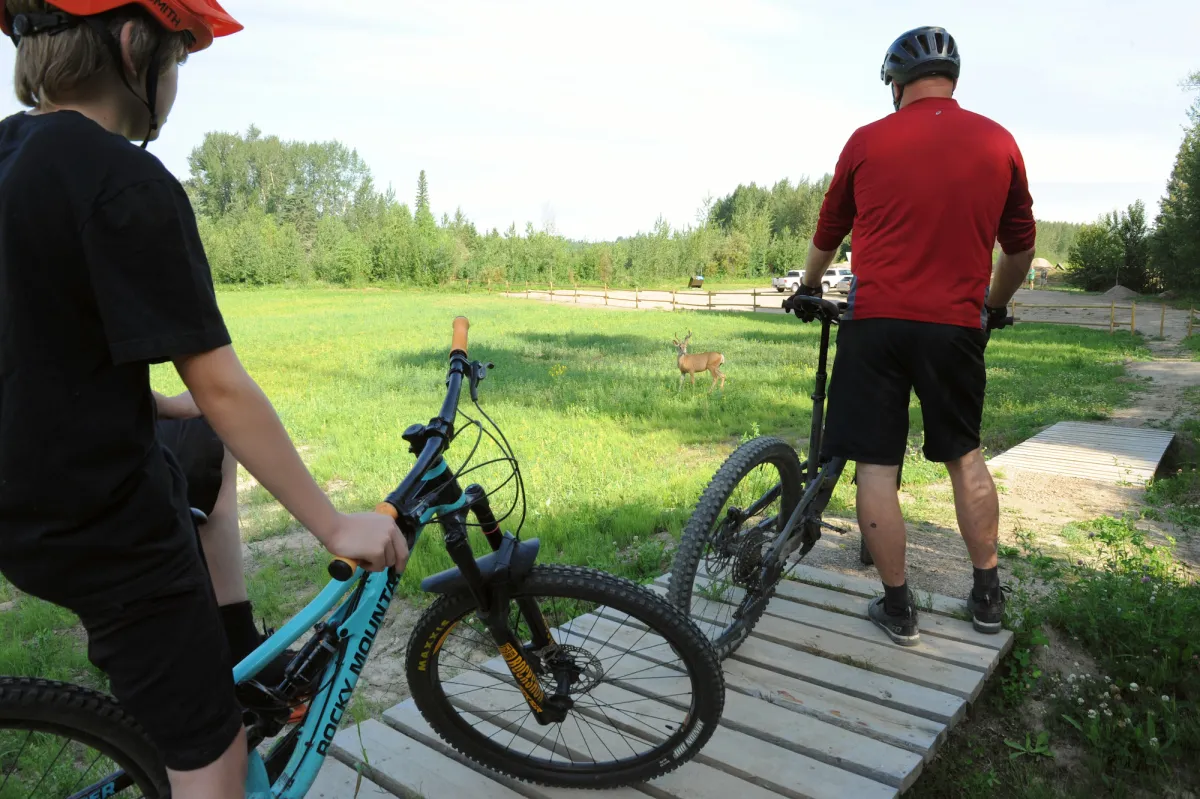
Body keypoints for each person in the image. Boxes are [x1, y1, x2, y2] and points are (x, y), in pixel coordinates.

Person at [0, 2, 409, 796]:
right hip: (98, 525)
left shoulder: (11, 157)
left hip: (22, 496)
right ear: (133, 44)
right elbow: (220, 381)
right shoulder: (123, 178)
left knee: (204, 450)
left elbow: (39, 342)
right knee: (211, 763)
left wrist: (154, 406)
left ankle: (226, 652)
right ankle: (210, 722)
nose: (178, 77)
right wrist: (333, 523)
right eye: (180, 57)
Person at [783, 26, 1036, 646]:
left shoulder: (868, 140)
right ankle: (986, 595)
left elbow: (829, 227)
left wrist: (808, 286)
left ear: (896, 84)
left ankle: (898, 609)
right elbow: (1021, 248)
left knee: (875, 465)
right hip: (953, 326)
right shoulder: (999, 141)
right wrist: (992, 307)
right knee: (964, 455)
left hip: (875, 325)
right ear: (951, 80)